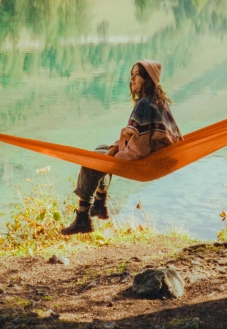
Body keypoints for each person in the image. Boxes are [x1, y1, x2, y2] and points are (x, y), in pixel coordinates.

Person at [60, 60, 182, 235]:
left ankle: (83, 218)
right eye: (131, 75)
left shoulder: (144, 105)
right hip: (159, 156)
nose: (131, 80)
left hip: (145, 160)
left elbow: (138, 148)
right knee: (101, 150)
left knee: (91, 162)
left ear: (147, 79)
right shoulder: (159, 102)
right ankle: (99, 204)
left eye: (136, 75)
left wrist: (115, 155)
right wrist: (112, 150)